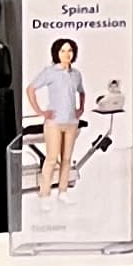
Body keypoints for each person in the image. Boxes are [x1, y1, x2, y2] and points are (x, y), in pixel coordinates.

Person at [28, 35, 85, 194]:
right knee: (52, 159)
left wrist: (81, 108)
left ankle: (63, 192)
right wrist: (40, 111)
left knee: (66, 160)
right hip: (54, 123)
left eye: (70, 50)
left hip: (71, 123)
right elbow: (31, 89)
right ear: (56, 53)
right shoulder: (50, 72)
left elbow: (81, 92)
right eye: (63, 51)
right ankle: (44, 194)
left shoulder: (76, 74)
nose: (67, 54)